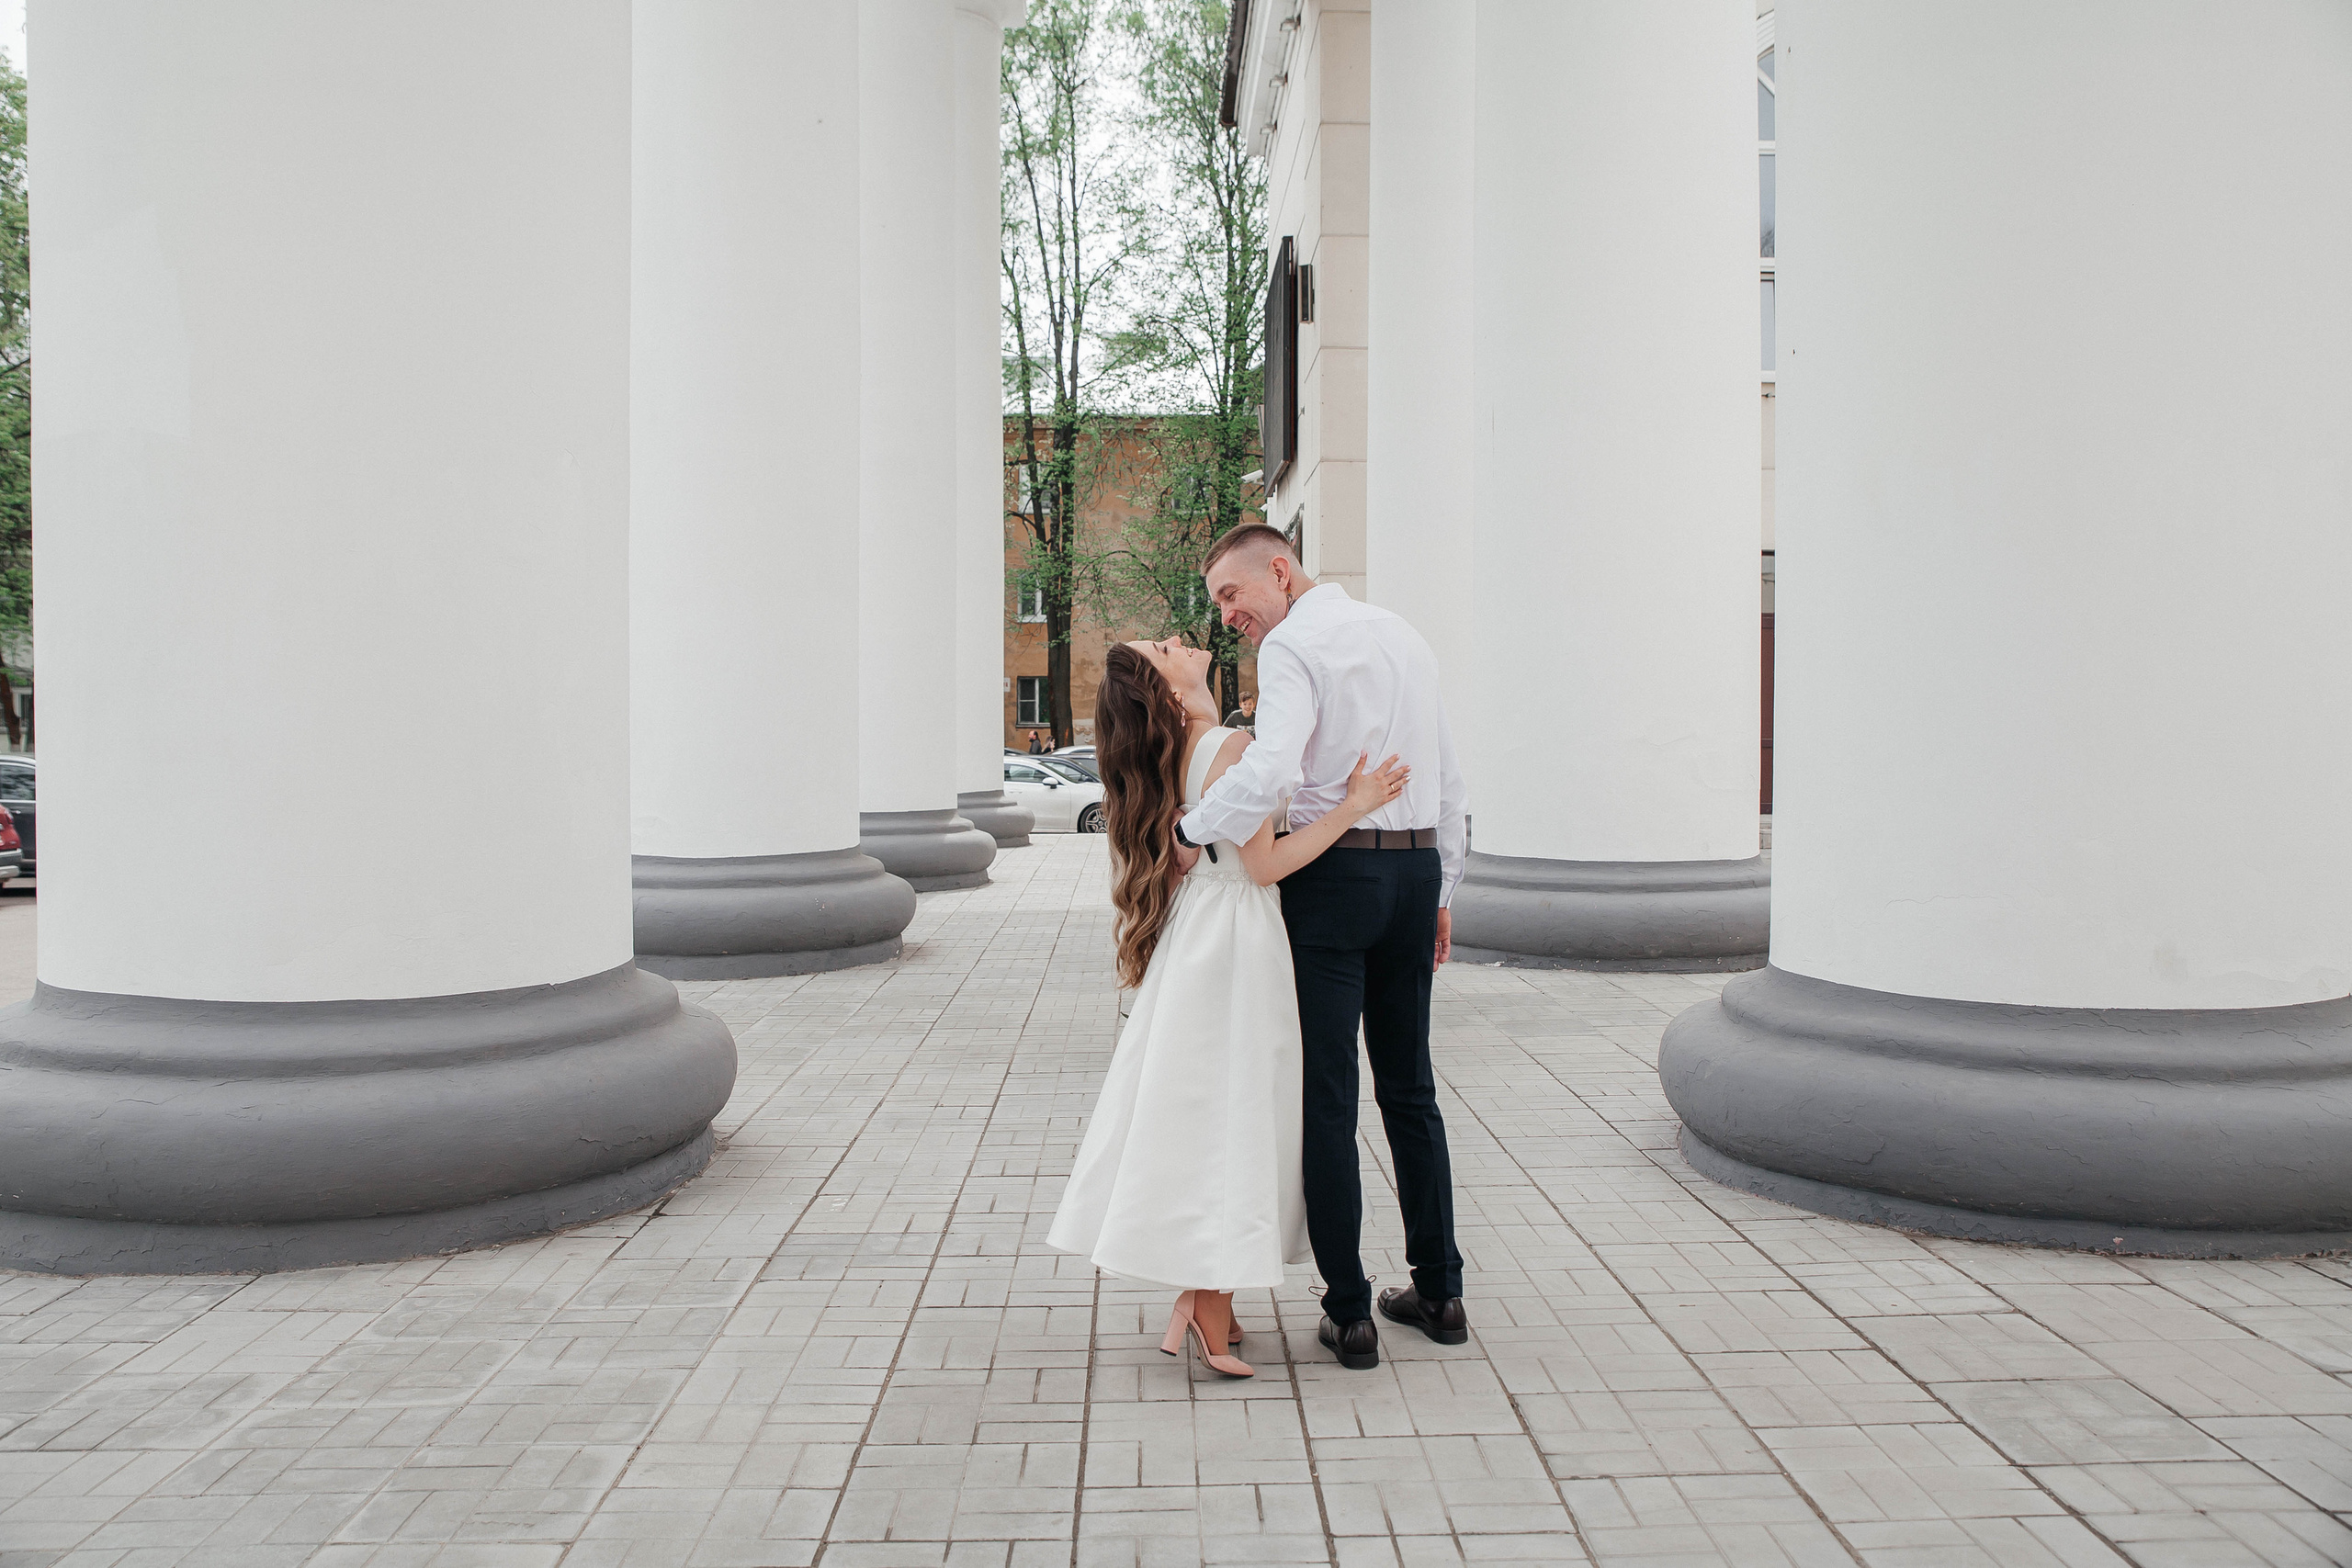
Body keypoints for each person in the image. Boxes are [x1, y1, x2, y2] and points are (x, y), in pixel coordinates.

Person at [1048, 636, 1408, 1378]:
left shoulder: (1176, 754)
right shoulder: (1228, 745)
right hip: (1241, 935)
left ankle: (1212, 1298)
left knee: (1205, 1109)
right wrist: (1354, 806)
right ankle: (1209, 1301)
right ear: (1171, 691)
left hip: (1200, 938)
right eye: (1165, 646)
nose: (1181, 640)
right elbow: (1267, 863)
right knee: (1239, 1111)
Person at [1176, 522, 1469, 1371]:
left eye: (1232, 595)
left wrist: (1194, 827)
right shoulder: (1403, 635)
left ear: (1280, 570)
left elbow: (1272, 774)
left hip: (1333, 882)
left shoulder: (1294, 646)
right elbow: (1448, 778)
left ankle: (1350, 1313)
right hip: (1412, 873)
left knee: (1329, 1097)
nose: (1227, 614)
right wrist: (1442, 890)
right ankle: (1441, 1291)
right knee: (1411, 1087)